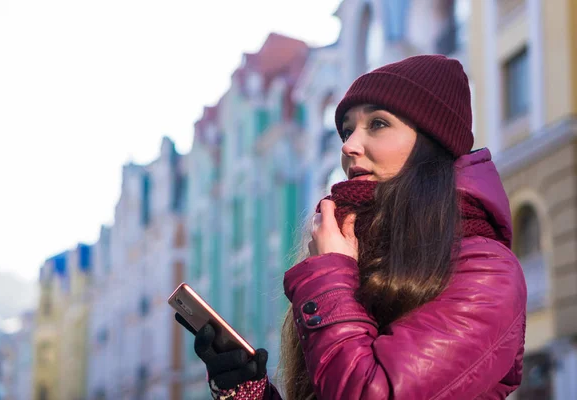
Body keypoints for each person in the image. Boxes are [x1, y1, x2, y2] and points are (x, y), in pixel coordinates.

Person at [175, 55, 527, 399]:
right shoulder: (360, 252)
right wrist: (249, 390)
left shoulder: (486, 269)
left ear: (431, 143)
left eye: (377, 123)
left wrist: (329, 274)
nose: (348, 145)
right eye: (347, 129)